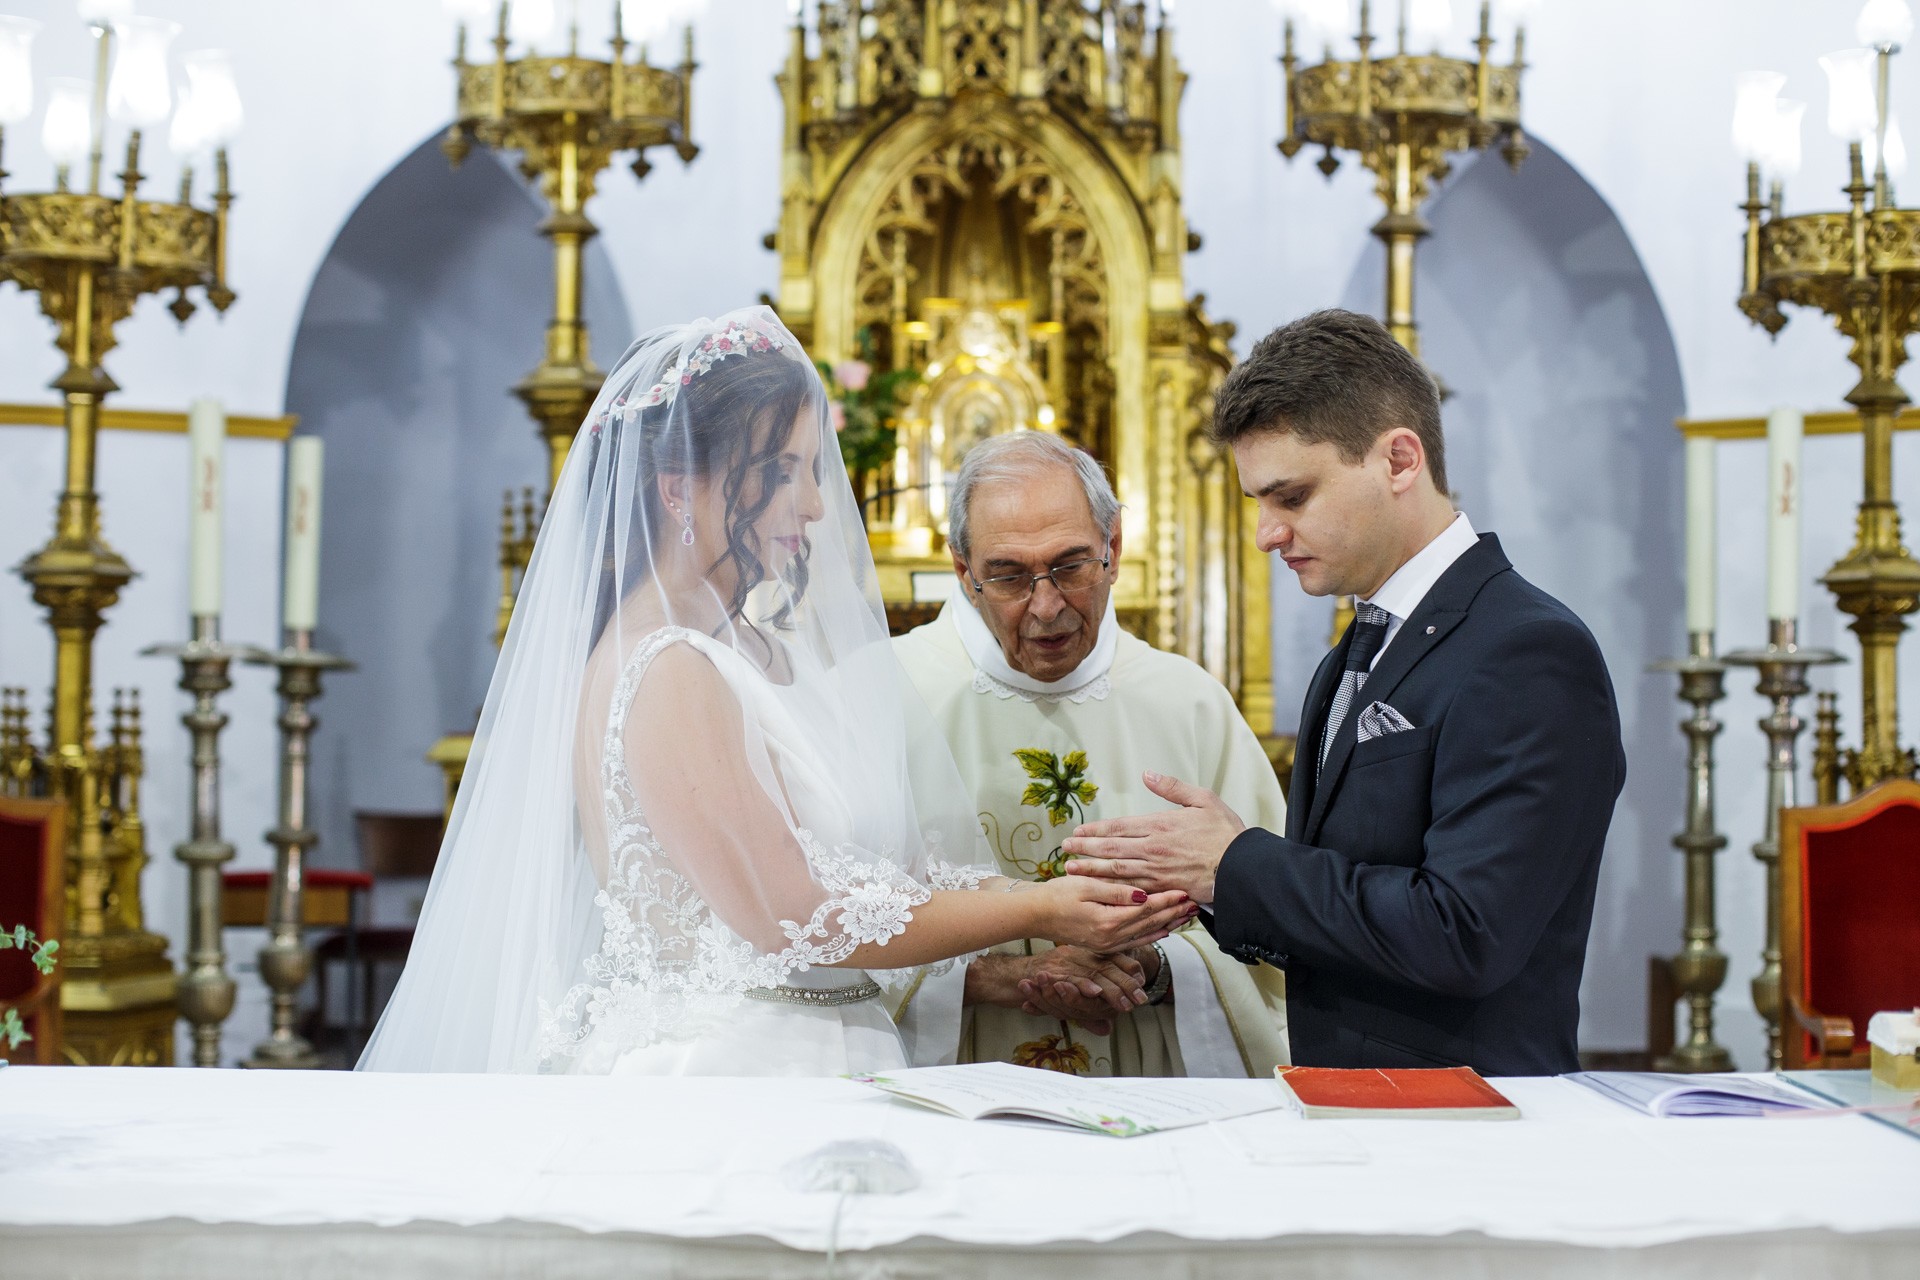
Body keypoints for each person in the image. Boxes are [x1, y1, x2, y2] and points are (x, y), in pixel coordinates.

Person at [357, 308, 1191, 1076]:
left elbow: (879, 872)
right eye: (784, 470)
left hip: (830, 1048)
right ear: (681, 489)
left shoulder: (754, 649)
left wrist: (1070, 905)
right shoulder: (663, 666)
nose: (817, 502)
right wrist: (1040, 905)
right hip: (735, 1074)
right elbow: (788, 907)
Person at [1064, 309, 1624, 1077]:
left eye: (1290, 497)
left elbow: (1466, 933)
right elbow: (1349, 893)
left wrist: (1238, 866)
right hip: (1350, 1101)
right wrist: (1205, 886)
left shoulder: (1528, 651)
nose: (1265, 533)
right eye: (1258, 501)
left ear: (1399, 459)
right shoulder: (1357, 647)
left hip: (1466, 1118)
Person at [891, 431, 1291, 1077]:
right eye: (1009, 576)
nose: (1046, 607)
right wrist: (997, 976)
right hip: (951, 1068)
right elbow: (816, 921)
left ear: (1114, 548)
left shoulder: (1187, 702)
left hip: (1152, 1065)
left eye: (1071, 566)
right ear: (963, 571)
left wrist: (1150, 968)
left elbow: (1279, 918)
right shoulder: (883, 694)